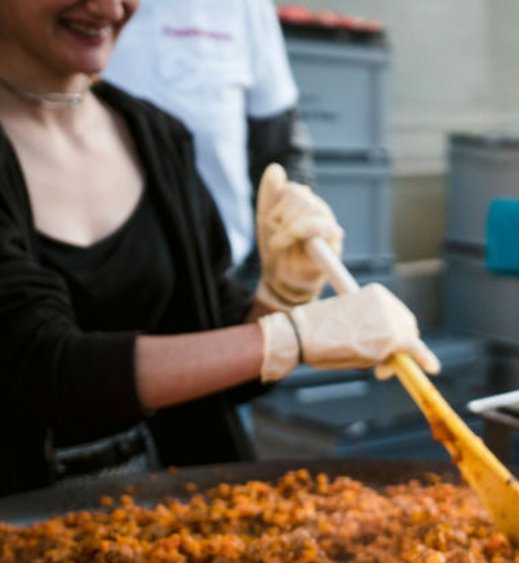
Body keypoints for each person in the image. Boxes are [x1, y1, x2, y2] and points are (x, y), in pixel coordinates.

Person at [0, 0, 439, 496]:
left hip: (160, 508)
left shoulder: (156, 137)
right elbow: (34, 369)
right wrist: (287, 338)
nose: (108, 7)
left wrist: (280, 300)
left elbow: (216, 359)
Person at [102, 0, 313, 278]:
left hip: (225, 270)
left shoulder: (245, 7)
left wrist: (274, 264)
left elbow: (282, 149)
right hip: (109, 273)